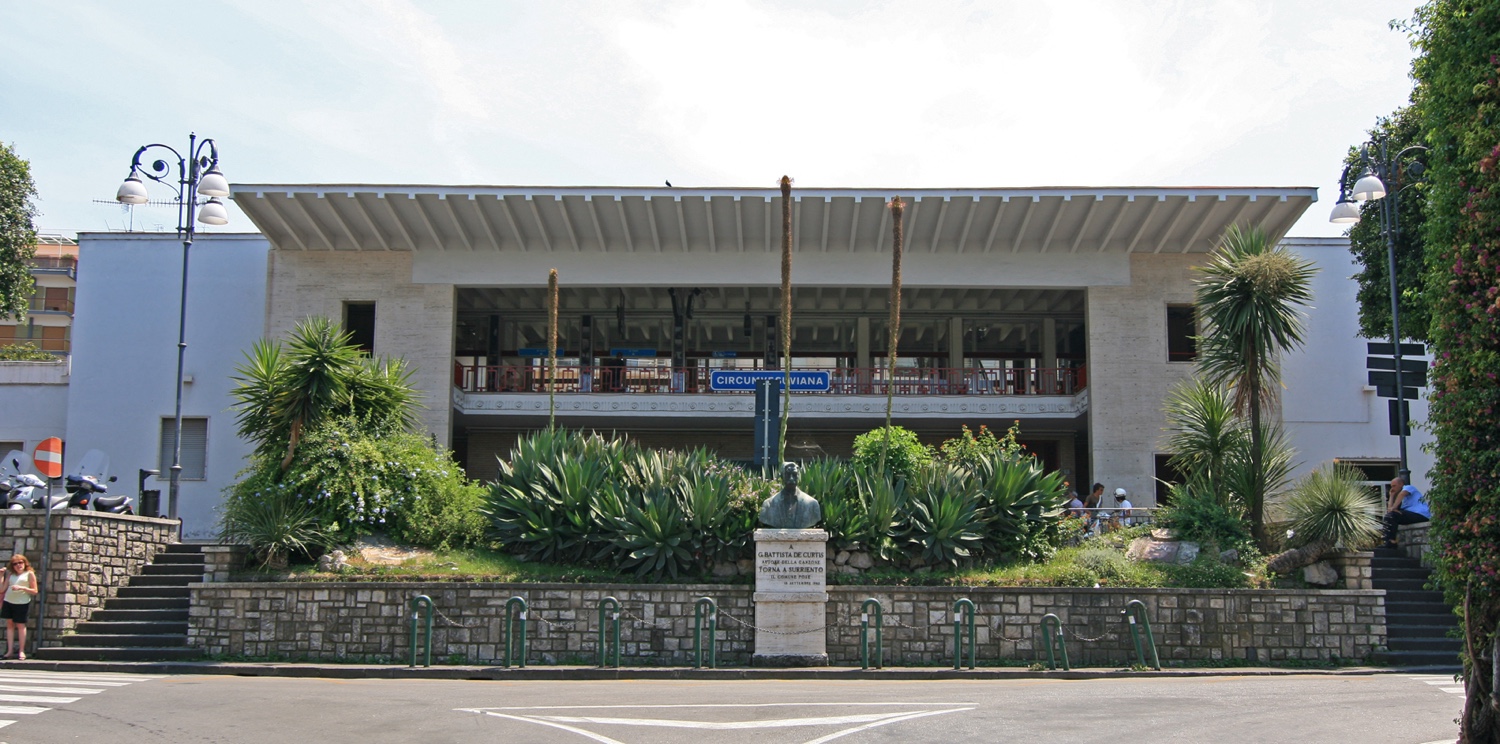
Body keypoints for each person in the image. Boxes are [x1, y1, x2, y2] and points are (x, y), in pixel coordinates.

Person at [758, 462, 822, 529]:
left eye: (794, 474)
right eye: (788, 475)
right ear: (782, 477)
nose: (791, 478)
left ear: (798, 476)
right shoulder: (768, 505)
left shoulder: (812, 504)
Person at [2, 554, 36, 661]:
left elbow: (35, 591)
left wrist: (21, 588)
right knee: (10, 624)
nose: (18, 565)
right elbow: (2, 589)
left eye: (20, 562)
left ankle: (21, 650)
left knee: (21, 625)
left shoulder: (29, 574)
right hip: (9, 601)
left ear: (24, 563)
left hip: (22, 602)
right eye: (15, 564)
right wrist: (1, 575)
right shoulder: (11, 575)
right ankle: (10, 650)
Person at [1382, 476, 1430, 549]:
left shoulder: (1408, 487)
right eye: (1391, 486)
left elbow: (1402, 494)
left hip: (1421, 514)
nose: (1392, 488)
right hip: (1411, 514)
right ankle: (1388, 541)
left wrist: (1394, 507)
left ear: (1401, 484)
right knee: (1389, 517)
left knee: (1392, 515)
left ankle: (1392, 541)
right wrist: (1391, 496)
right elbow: (1389, 511)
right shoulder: (1399, 498)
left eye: (1394, 486)